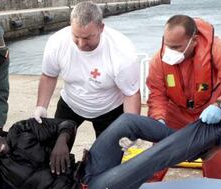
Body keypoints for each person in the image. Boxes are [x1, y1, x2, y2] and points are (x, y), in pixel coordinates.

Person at [0, 80, 221, 189]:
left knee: (127, 123)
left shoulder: (21, 132)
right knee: (152, 157)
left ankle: (200, 147)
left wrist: (63, 140)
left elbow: (64, 124)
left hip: (87, 168)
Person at [146, 15, 221, 188]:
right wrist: (158, 119)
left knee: (218, 164)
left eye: (176, 46)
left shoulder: (216, 49)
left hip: (212, 113)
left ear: (194, 41)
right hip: (175, 114)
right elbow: (157, 94)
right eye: (167, 45)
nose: (169, 51)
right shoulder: (159, 61)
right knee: (156, 156)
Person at [34, 1, 141, 138]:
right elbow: (49, 76)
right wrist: (41, 107)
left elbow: (131, 94)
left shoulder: (122, 51)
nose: (81, 44)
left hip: (109, 109)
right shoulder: (57, 42)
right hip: (71, 103)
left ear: (101, 28)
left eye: (87, 38)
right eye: (76, 36)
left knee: (105, 157)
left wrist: (130, 129)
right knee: (53, 147)